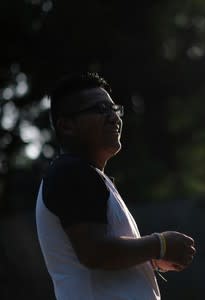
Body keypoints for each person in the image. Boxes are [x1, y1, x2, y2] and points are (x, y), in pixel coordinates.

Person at [35, 73, 196, 300]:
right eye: (101, 109)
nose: (114, 118)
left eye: (115, 109)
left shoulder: (90, 175)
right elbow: (94, 252)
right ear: (67, 126)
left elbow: (101, 254)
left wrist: (151, 260)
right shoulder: (71, 172)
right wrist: (158, 245)